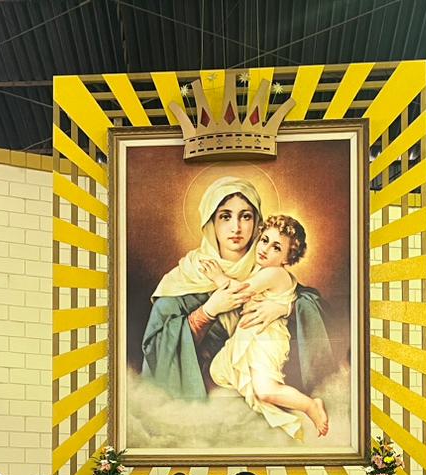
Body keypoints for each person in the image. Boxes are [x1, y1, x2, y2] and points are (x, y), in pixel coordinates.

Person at [140, 176, 333, 404]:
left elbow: (317, 308)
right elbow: (156, 348)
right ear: (211, 222)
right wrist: (207, 312)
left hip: (264, 393)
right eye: (225, 216)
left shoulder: (268, 268)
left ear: (257, 222)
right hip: (205, 402)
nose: (236, 228)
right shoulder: (187, 275)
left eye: (246, 216)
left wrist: (286, 308)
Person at [206, 215, 329, 437]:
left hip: (266, 340)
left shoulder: (275, 273)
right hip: (252, 337)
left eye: (276, 247)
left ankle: (310, 405)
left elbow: (240, 292)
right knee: (222, 373)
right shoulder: (263, 272)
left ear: (287, 257)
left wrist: (218, 277)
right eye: (264, 240)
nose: (265, 249)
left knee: (265, 391)